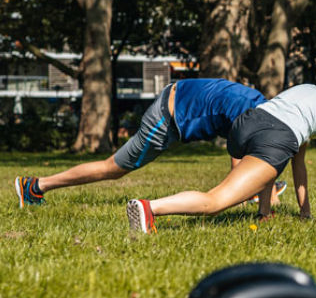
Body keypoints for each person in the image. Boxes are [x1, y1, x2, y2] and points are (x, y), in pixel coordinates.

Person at [125, 79, 316, 233]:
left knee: (268, 162)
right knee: (216, 200)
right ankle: (150, 208)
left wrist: (305, 213)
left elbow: (298, 167)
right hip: (277, 136)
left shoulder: (310, 92)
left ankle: (263, 212)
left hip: (247, 124)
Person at [14, 78, 285, 208]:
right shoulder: (248, 115)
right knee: (114, 168)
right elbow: (241, 157)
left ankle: (37, 186)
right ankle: (36, 186)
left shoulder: (258, 104)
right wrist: (262, 194)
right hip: (166, 117)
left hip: (179, 97)